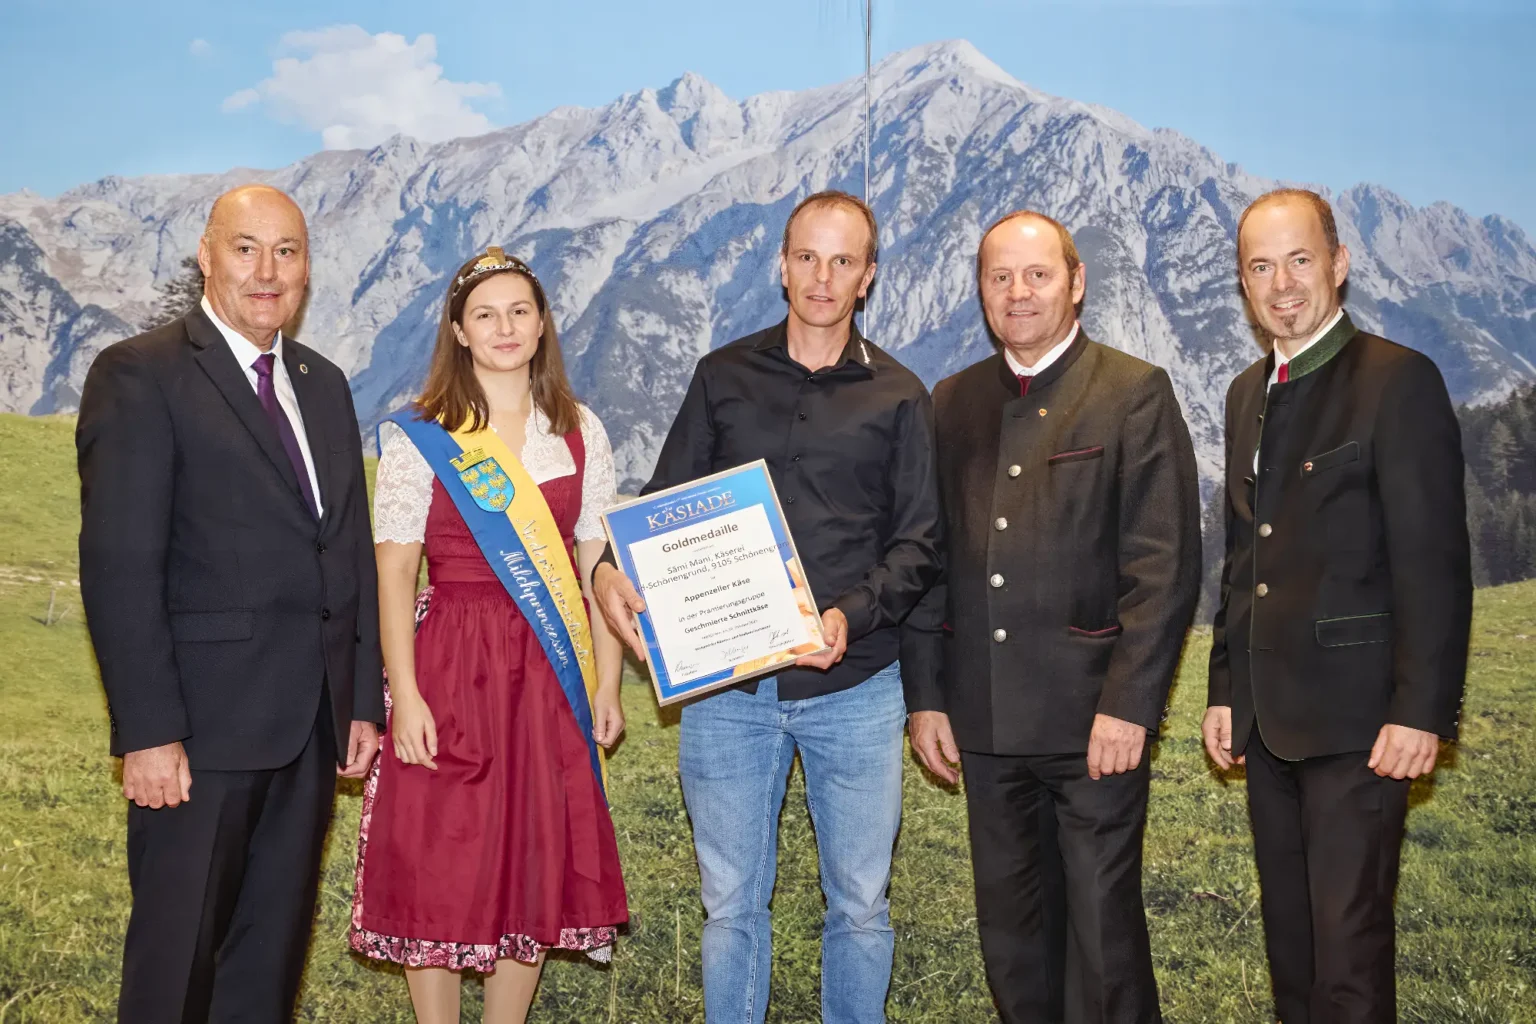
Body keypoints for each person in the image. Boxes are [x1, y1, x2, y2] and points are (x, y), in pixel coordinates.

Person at [592, 190, 941, 1024]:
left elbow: (920, 544)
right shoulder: (723, 375)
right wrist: (609, 570)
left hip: (854, 688)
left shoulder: (901, 395)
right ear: (781, 265)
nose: (823, 278)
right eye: (807, 258)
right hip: (727, 696)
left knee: (859, 906)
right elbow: (664, 503)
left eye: (843, 261)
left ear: (869, 277)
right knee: (731, 908)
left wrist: (848, 616)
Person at [76, 184, 383, 1022]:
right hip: (197, 737)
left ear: (308, 269)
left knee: (267, 963)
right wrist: (146, 731)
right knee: (176, 967)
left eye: (287, 251)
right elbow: (119, 566)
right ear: (206, 255)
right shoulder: (141, 374)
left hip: (310, 732)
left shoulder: (325, 386)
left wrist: (358, 700)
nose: (267, 271)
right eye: (245, 248)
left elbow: (345, 549)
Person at [903, 211, 1201, 1024]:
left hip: (1092, 724)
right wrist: (927, 698)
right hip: (985, 722)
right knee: (1012, 938)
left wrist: (1129, 706)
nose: (1018, 292)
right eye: (1000, 277)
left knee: (1103, 938)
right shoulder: (953, 400)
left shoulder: (1133, 391)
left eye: (1037, 275)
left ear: (1076, 282)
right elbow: (931, 565)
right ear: (981, 291)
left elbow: (1163, 569)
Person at [1203, 189, 1472, 1023]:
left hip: (1363, 730)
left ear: (1339, 264)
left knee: (1349, 964)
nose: (1282, 284)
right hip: (1268, 726)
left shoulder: (1399, 381)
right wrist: (1223, 689)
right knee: (1293, 957)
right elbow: (1244, 557)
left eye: (1299, 259)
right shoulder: (1248, 391)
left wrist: (1421, 712)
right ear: (1244, 284)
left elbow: (1435, 564)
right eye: (1260, 266)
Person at [348, 246, 628, 1024]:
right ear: (459, 332)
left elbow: (594, 568)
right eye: (485, 314)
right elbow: (396, 574)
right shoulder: (423, 436)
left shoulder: (579, 432)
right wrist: (402, 696)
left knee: (531, 854)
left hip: (549, 667)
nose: (504, 327)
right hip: (450, 663)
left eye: (519, 311)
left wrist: (605, 683)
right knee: (441, 854)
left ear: (542, 325)